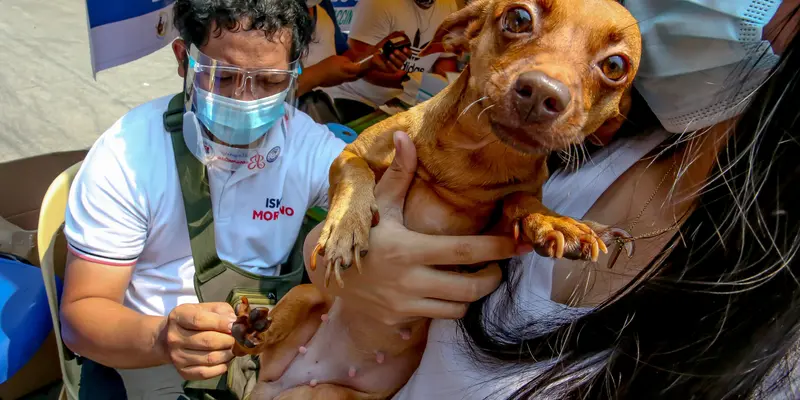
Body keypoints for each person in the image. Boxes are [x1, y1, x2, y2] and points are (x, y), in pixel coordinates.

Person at [297, 0, 800, 398]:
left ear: (610, 112)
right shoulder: (587, 152)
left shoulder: (778, 356)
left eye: (612, 67)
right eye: (520, 20)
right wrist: (336, 261)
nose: (547, 87)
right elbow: (344, 199)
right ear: (467, 32)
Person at [58, 0, 509, 398]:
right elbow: (81, 317)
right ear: (184, 61)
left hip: (269, 349)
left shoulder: (307, 146)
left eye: (268, 82)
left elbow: (396, 196)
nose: (244, 98)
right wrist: (160, 338)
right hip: (155, 362)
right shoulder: (127, 154)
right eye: (224, 76)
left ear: (295, 75)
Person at [323, 0, 460, 122]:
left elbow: (445, 61)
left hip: (406, 101)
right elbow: (356, 63)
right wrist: (411, 81)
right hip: (356, 97)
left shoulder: (449, 6)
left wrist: (440, 88)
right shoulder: (378, 4)